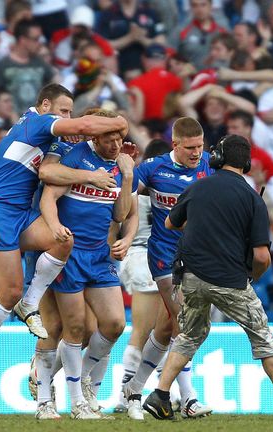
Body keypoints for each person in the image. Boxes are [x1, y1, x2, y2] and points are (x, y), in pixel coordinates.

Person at [0, 83, 128, 398]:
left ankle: (30, 302)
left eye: (69, 112)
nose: (67, 118)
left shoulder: (52, 142)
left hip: (21, 215)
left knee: (61, 238)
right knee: (9, 292)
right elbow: (79, 131)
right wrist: (119, 123)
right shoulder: (38, 122)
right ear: (44, 105)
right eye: (62, 110)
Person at [141, 134, 273, 421]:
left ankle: (161, 395)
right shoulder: (253, 199)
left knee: (189, 336)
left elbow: (170, 223)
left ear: (216, 158)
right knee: (264, 339)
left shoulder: (198, 187)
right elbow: (263, 257)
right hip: (230, 280)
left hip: (190, 277)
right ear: (247, 164)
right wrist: (251, 276)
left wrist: (203, 229)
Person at [33, 109, 136, 420]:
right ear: (95, 136)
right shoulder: (77, 156)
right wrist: (54, 227)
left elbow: (120, 214)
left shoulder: (120, 166)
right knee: (73, 327)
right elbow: (48, 197)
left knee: (115, 324)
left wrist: (129, 176)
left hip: (99, 255)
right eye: (109, 137)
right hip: (71, 255)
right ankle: (68, 401)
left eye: (120, 137)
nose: (116, 143)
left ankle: (83, 379)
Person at [121, 117, 213, 420]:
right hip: (163, 257)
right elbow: (125, 200)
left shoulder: (209, 166)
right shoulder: (154, 169)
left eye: (199, 146)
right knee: (185, 322)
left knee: (166, 328)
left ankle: (133, 389)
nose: (196, 153)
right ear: (175, 145)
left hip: (196, 255)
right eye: (190, 148)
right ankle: (188, 398)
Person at [114, 139, 171, 414]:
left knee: (157, 331)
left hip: (133, 259)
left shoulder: (131, 186)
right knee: (154, 332)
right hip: (147, 258)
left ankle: (168, 394)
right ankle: (127, 395)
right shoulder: (166, 191)